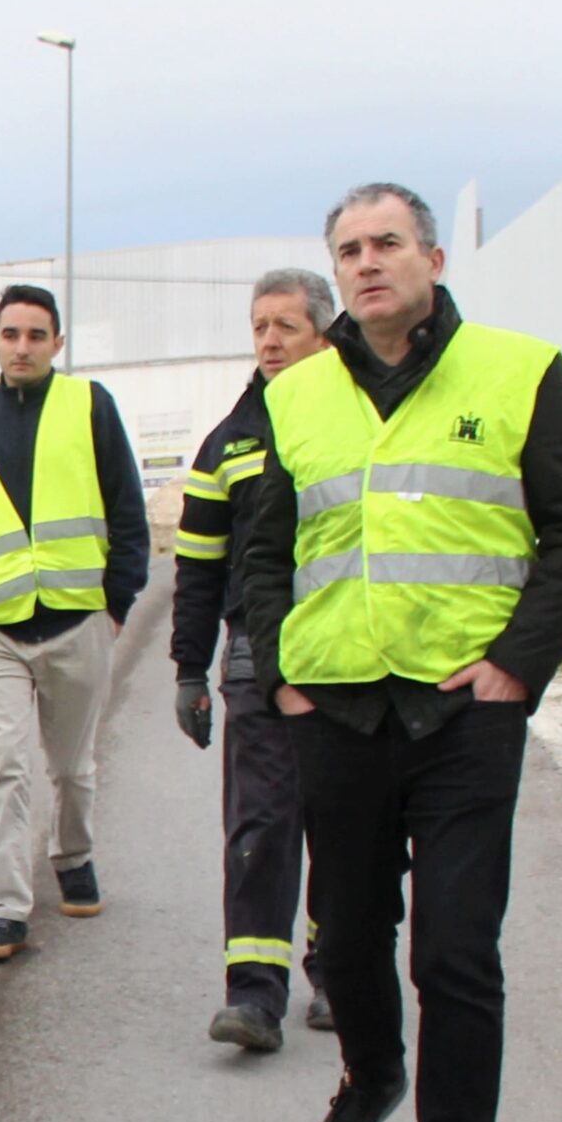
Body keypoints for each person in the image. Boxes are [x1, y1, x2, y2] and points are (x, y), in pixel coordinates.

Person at [241, 182, 562, 1122]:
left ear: (433, 258)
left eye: (386, 243)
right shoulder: (297, 394)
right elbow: (268, 549)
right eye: (347, 249)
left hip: (462, 716)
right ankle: (368, 1074)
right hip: (337, 708)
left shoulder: (516, 372)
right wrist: (285, 673)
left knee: (454, 951)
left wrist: (515, 668)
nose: (366, 263)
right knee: (346, 937)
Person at [0, 285, 150, 963]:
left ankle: (74, 854)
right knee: (4, 761)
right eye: (11, 334)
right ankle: (6, 908)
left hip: (77, 618)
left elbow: (127, 502)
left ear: (57, 343)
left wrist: (118, 598)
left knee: (71, 764)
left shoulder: (89, 405)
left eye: (37, 335)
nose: (23, 346)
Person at [171, 268, 339, 1054]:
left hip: (350, 656)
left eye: (287, 327)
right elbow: (199, 567)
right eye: (260, 327)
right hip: (256, 657)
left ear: (325, 335)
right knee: (262, 825)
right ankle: (255, 995)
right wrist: (186, 670)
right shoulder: (231, 442)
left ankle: (337, 969)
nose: (270, 341)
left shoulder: (359, 426)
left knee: (345, 821)